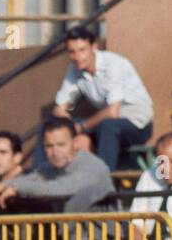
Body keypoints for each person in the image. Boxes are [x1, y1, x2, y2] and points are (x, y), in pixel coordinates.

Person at [50, 24, 153, 170]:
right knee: (59, 130)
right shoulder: (74, 69)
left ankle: (104, 184)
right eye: (72, 52)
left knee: (107, 126)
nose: (78, 57)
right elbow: (59, 108)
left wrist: (81, 127)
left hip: (138, 125)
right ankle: (61, 184)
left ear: (94, 47)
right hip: (107, 126)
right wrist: (69, 125)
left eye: (82, 50)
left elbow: (113, 112)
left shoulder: (113, 64)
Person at [0, 118, 114, 214]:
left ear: (75, 143)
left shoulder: (91, 166)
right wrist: (2, 185)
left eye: (61, 145)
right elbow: (33, 178)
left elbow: (60, 189)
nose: (55, 152)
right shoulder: (51, 167)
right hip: (68, 237)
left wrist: (16, 187)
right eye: (49, 146)